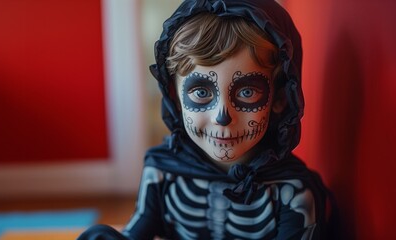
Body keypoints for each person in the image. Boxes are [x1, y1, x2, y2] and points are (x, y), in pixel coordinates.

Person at [79, 0, 337, 239]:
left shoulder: (294, 193)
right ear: (175, 97)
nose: (222, 117)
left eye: (247, 92)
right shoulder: (161, 172)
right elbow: (135, 232)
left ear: (281, 97)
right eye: (201, 92)